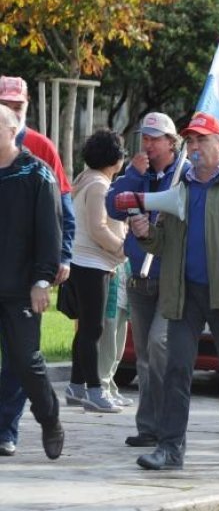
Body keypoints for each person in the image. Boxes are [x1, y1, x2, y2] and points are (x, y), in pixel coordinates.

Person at [129, 112, 219, 470]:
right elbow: (161, 244)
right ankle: (169, 448)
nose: (194, 148)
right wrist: (144, 231)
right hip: (185, 292)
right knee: (177, 368)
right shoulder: (181, 185)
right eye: (190, 141)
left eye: (202, 140)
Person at [0, 75, 74, 456]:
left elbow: (52, 231)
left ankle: (49, 417)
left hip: (20, 288)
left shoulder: (36, 173)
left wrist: (43, 280)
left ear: (13, 130)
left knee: (26, 363)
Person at [106, 111, 187, 447]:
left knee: (158, 346)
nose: (148, 145)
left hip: (168, 277)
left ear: (172, 142)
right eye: (145, 138)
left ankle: (166, 425)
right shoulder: (136, 173)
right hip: (139, 278)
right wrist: (134, 176)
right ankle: (148, 428)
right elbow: (113, 205)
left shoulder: (183, 174)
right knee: (143, 355)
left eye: (155, 138)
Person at [63, 129, 127, 413]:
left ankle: (76, 387)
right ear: (115, 159)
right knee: (94, 329)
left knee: (86, 328)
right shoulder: (100, 185)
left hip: (81, 262)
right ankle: (94, 390)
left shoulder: (84, 178)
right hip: (92, 264)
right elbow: (98, 227)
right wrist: (122, 250)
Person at [97, 260, 132, 407]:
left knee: (118, 350)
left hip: (124, 301)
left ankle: (111, 388)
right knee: (108, 349)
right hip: (113, 302)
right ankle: (102, 388)